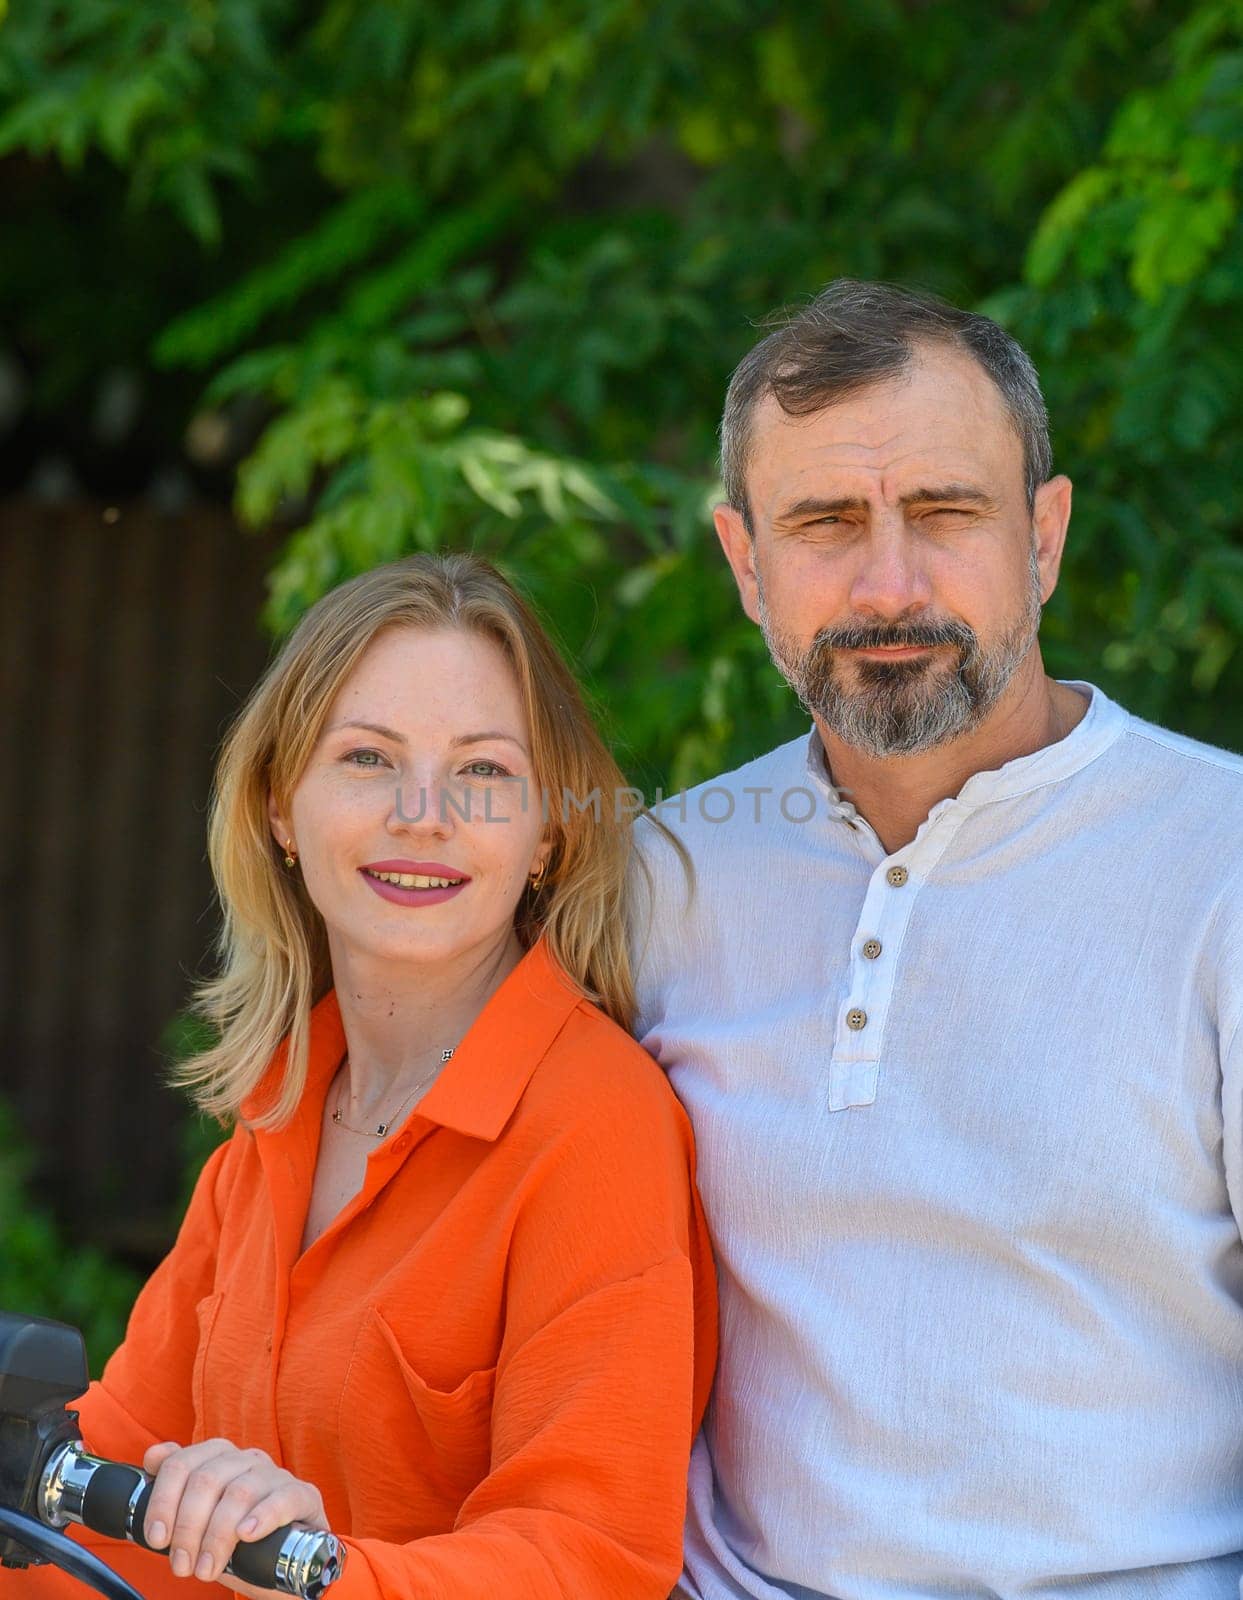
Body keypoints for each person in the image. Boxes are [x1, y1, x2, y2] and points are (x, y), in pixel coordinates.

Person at [629, 279, 1243, 1599]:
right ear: (744, 564)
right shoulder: (656, 877)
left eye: (944, 513)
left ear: (1043, 536)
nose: (888, 581)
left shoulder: (1220, 868)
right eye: (825, 522)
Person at [13, 552, 716, 1598]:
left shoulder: (598, 1125)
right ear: (280, 810)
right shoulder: (278, 1114)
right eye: (368, 758)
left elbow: (591, 1557)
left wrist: (324, 1573)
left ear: (547, 833)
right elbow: (89, 1502)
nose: (421, 811)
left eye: (482, 769)